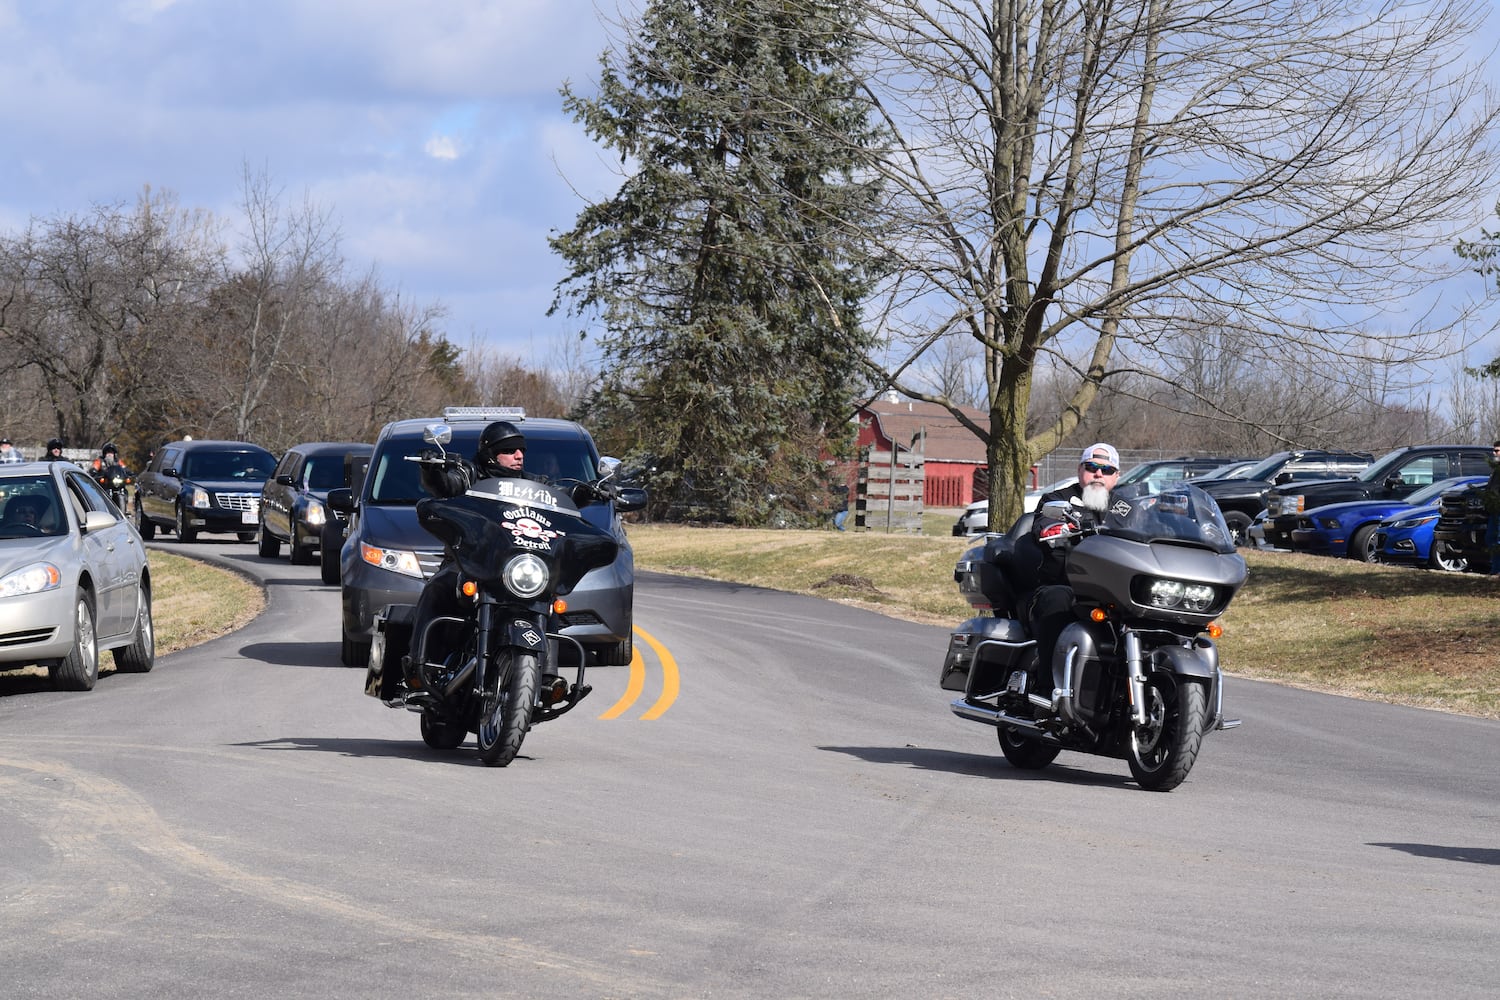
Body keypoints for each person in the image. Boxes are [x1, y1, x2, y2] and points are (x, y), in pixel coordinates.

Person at [402, 420, 557, 688]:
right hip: (467, 563)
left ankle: (547, 678)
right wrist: (432, 470)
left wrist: (585, 492)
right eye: (509, 450)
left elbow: (559, 497)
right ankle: (420, 667)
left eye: (521, 449)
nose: (519, 455)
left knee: (549, 597)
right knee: (437, 589)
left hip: (517, 566)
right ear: (490, 453)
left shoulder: (534, 485)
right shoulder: (469, 475)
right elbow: (446, 485)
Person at [1022, 442, 1122, 699]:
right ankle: (1047, 690)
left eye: (1107, 469)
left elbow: (1151, 526)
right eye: (1092, 467)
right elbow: (1043, 523)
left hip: (1115, 591)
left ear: (1116, 476)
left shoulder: (1126, 507)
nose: (1099, 474)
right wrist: (1051, 528)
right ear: (1080, 470)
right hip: (1064, 585)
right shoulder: (1057, 499)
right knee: (1057, 600)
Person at [1484, 440, 1500, 574]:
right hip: (1494, 510)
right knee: (1490, 539)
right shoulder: (1496, 470)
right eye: (1494, 450)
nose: (1494, 453)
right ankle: (1495, 570)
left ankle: (1497, 570)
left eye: (1497, 451)